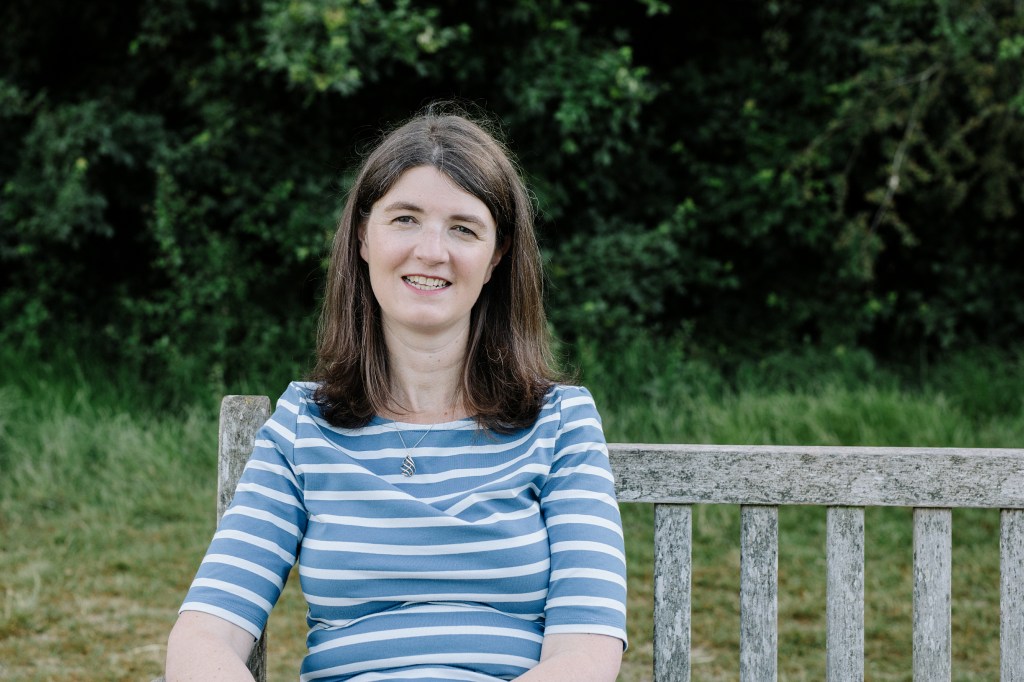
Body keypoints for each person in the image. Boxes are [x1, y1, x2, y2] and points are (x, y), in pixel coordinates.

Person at [164, 104, 627, 682]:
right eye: (405, 219)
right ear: (363, 235)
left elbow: (586, 655)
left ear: (496, 257)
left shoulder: (559, 423)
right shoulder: (304, 425)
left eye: (463, 228)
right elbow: (204, 635)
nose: (431, 250)